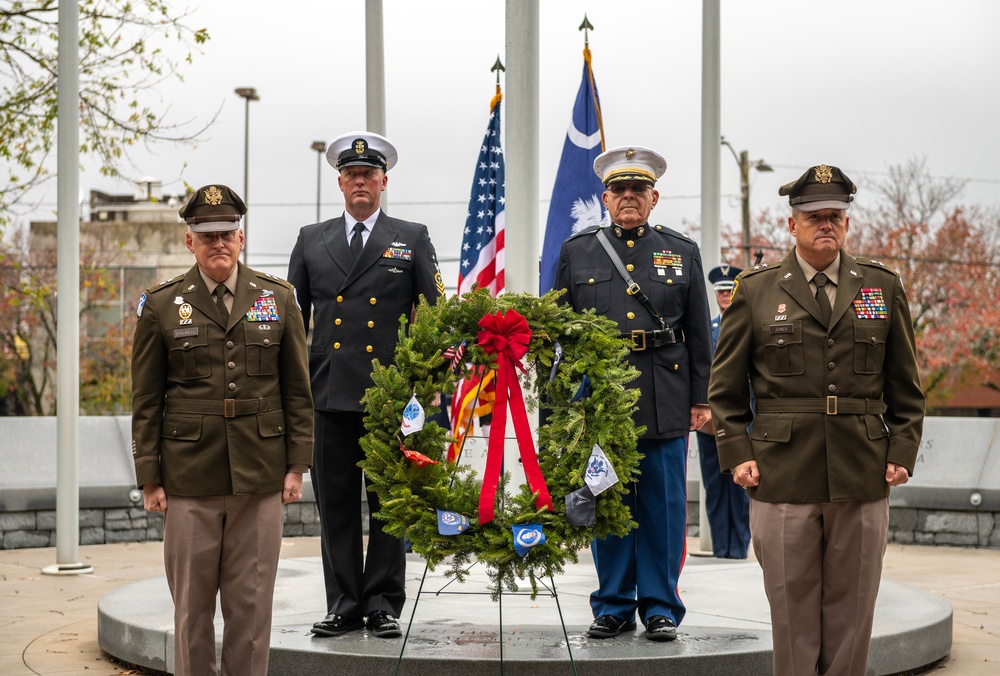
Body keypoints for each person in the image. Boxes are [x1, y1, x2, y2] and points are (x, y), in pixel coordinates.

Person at [708, 165, 925, 675]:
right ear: (793, 225)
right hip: (781, 470)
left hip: (862, 467)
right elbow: (725, 387)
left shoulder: (882, 286)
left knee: (855, 609)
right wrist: (738, 455)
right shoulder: (756, 290)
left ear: (847, 223)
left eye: (835, 216)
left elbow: (905, 384)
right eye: (814, 217)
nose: (826, 225)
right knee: (791, 609)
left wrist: (902, 450)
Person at [130, 184, 314, 676]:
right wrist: (149, 476)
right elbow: (146, 399)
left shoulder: (278, 298)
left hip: (261, 473)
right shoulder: (162, 305)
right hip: (189, 477)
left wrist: (297, 465)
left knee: (251, 610)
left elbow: (298, 389)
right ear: (189, 241)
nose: (218, 243)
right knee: (191, 611)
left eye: (227, 234)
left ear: (241, 238)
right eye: (207, 235)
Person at [288, 131, 444, 639]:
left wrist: (426, 381)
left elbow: (434, 317)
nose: (360, 182)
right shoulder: (310, 239)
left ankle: (381, 603)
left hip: (390, 397)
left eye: (368, 175)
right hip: (329, 393)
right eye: (351, 175)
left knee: (389, 506)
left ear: (383, 182)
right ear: (340, 183)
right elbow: (294, 323)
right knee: (334, 506)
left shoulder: (411, 237)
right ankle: (342, 603)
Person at [554, 146, 713, 642]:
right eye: (619, 190)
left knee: (664, 509)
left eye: (638, 189)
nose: (628, 197)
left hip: (665, 394)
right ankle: (614, 605)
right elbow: (559, 332)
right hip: (602, 400)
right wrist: (564, 405)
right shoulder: (577, 251)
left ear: (653, 197)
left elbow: (699, 332)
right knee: (608, 501)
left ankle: (661, 607)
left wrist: (702, 398)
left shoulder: (681, 250)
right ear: (605, 198)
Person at [695, 264, 751, 559]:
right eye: (721, 292)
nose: (725, 296)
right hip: (711, 423)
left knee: (742, 484)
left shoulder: (748, 323)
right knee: (715, 486)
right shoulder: (708, 330)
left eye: (730, 290)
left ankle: (738, 548)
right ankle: (721, 548)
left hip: (743, 419)